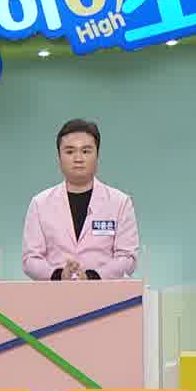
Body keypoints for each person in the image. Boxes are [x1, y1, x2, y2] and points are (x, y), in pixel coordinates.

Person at [22, 119, 140, 281]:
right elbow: (30, 259)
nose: (78, 158)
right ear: (59, 157)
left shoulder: (120, 202)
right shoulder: (40, 204)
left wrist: (92, 277)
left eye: (86, 151)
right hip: (54, 293)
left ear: (97, 155)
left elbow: (127, 257)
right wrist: (59, 275)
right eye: (70, 151)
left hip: (104, 293)